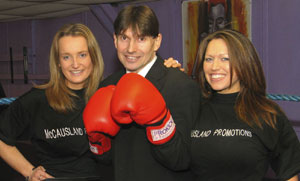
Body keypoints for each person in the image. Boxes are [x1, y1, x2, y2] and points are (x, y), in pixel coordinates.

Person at [83, 5, 201, 181]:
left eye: (141, 39)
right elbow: (105, 162)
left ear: (157, 41)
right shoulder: (107, 87)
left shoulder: (180, 85)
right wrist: (97, 143)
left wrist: (160, 124)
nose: (131, 48)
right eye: (124, 38)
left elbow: (182, 160)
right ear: (115, 40)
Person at [0, 23, 108, 180]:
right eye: (66, 57)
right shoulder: (38, 99)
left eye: (82, 55)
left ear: (93, 56)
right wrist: (29, 171)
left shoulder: (107, 96)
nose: (75, 64)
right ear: (58, 62)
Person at [189, 29, 300, 180]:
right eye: (208, 59)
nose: (214, 66)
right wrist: (170, 78)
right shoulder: (192, 106)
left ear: (244, 62)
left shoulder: (266, 113)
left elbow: (289, 172)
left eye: (225, 59)